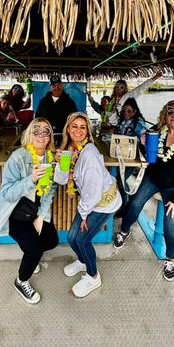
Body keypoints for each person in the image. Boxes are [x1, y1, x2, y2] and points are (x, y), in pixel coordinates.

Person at [114, 100, 174, 282]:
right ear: (164, 115)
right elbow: (149, 155)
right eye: (169, 112)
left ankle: (171, 258)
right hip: (154, 178)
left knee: (172, 223)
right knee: (133, 204)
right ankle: (124, 232)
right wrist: (142, 143)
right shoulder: (157, 131)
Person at [54, 112, 122, 298]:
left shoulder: (89, 154)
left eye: (82, 127)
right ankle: (83, 262)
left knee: (82, 239)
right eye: (74, 126)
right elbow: (61, 181)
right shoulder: (71, 149)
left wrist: (84, 215)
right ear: (68, 129)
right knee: (71, 237)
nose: (78, 130)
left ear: (87, 131)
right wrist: (60, 164)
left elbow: (92, 190)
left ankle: (93, 277)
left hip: (103, 203)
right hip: (90, 202)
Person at [0, 118, 58, 304]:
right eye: (36, 131)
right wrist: (30, 180)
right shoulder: (18, 157)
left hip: (34, 212)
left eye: (46, 131)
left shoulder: (50, 158)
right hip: (15, 213)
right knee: (35, 250)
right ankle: (21, 281)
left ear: (49, 137)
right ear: (30, 134)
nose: (41, 135)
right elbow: (6, 194)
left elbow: (51, 188)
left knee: (51, 241)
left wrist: (41, 216)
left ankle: (30, 255)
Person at [114, 97, 148, 217]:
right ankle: (126, 201)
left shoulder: (138, 123)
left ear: (134, 111)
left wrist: (144, 139)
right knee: (120, 178)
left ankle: (125, 206)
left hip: (134, 158)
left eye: (129, 111)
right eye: (124, 110)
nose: (126, 113)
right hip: (123, 156)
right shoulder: (123, 121)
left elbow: (145, 135)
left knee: (120, 179)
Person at [35, 74, 77, 143]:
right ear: (50, 87)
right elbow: (37, 119)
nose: (57, 88)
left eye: (59, 85)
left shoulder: (70, 102)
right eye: (54, 86)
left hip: (64, 137)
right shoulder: (43, 101)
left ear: (62, 85)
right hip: (46, 137)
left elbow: (74, 120)